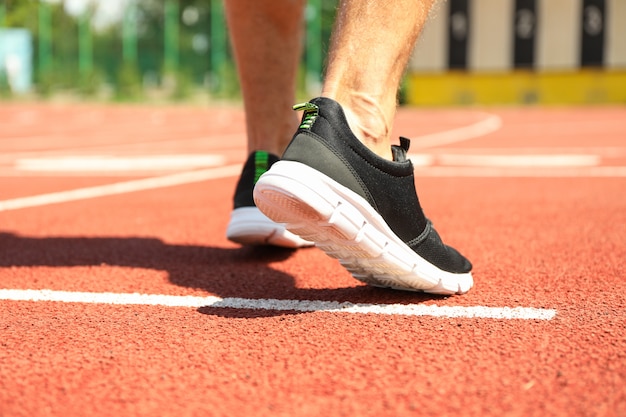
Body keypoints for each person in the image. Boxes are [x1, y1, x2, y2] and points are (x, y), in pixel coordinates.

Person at [224, 0, 473, 295]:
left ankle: (267, 156)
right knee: (358, 117)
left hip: (277, 157)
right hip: (350, 147)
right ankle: (360, 125)